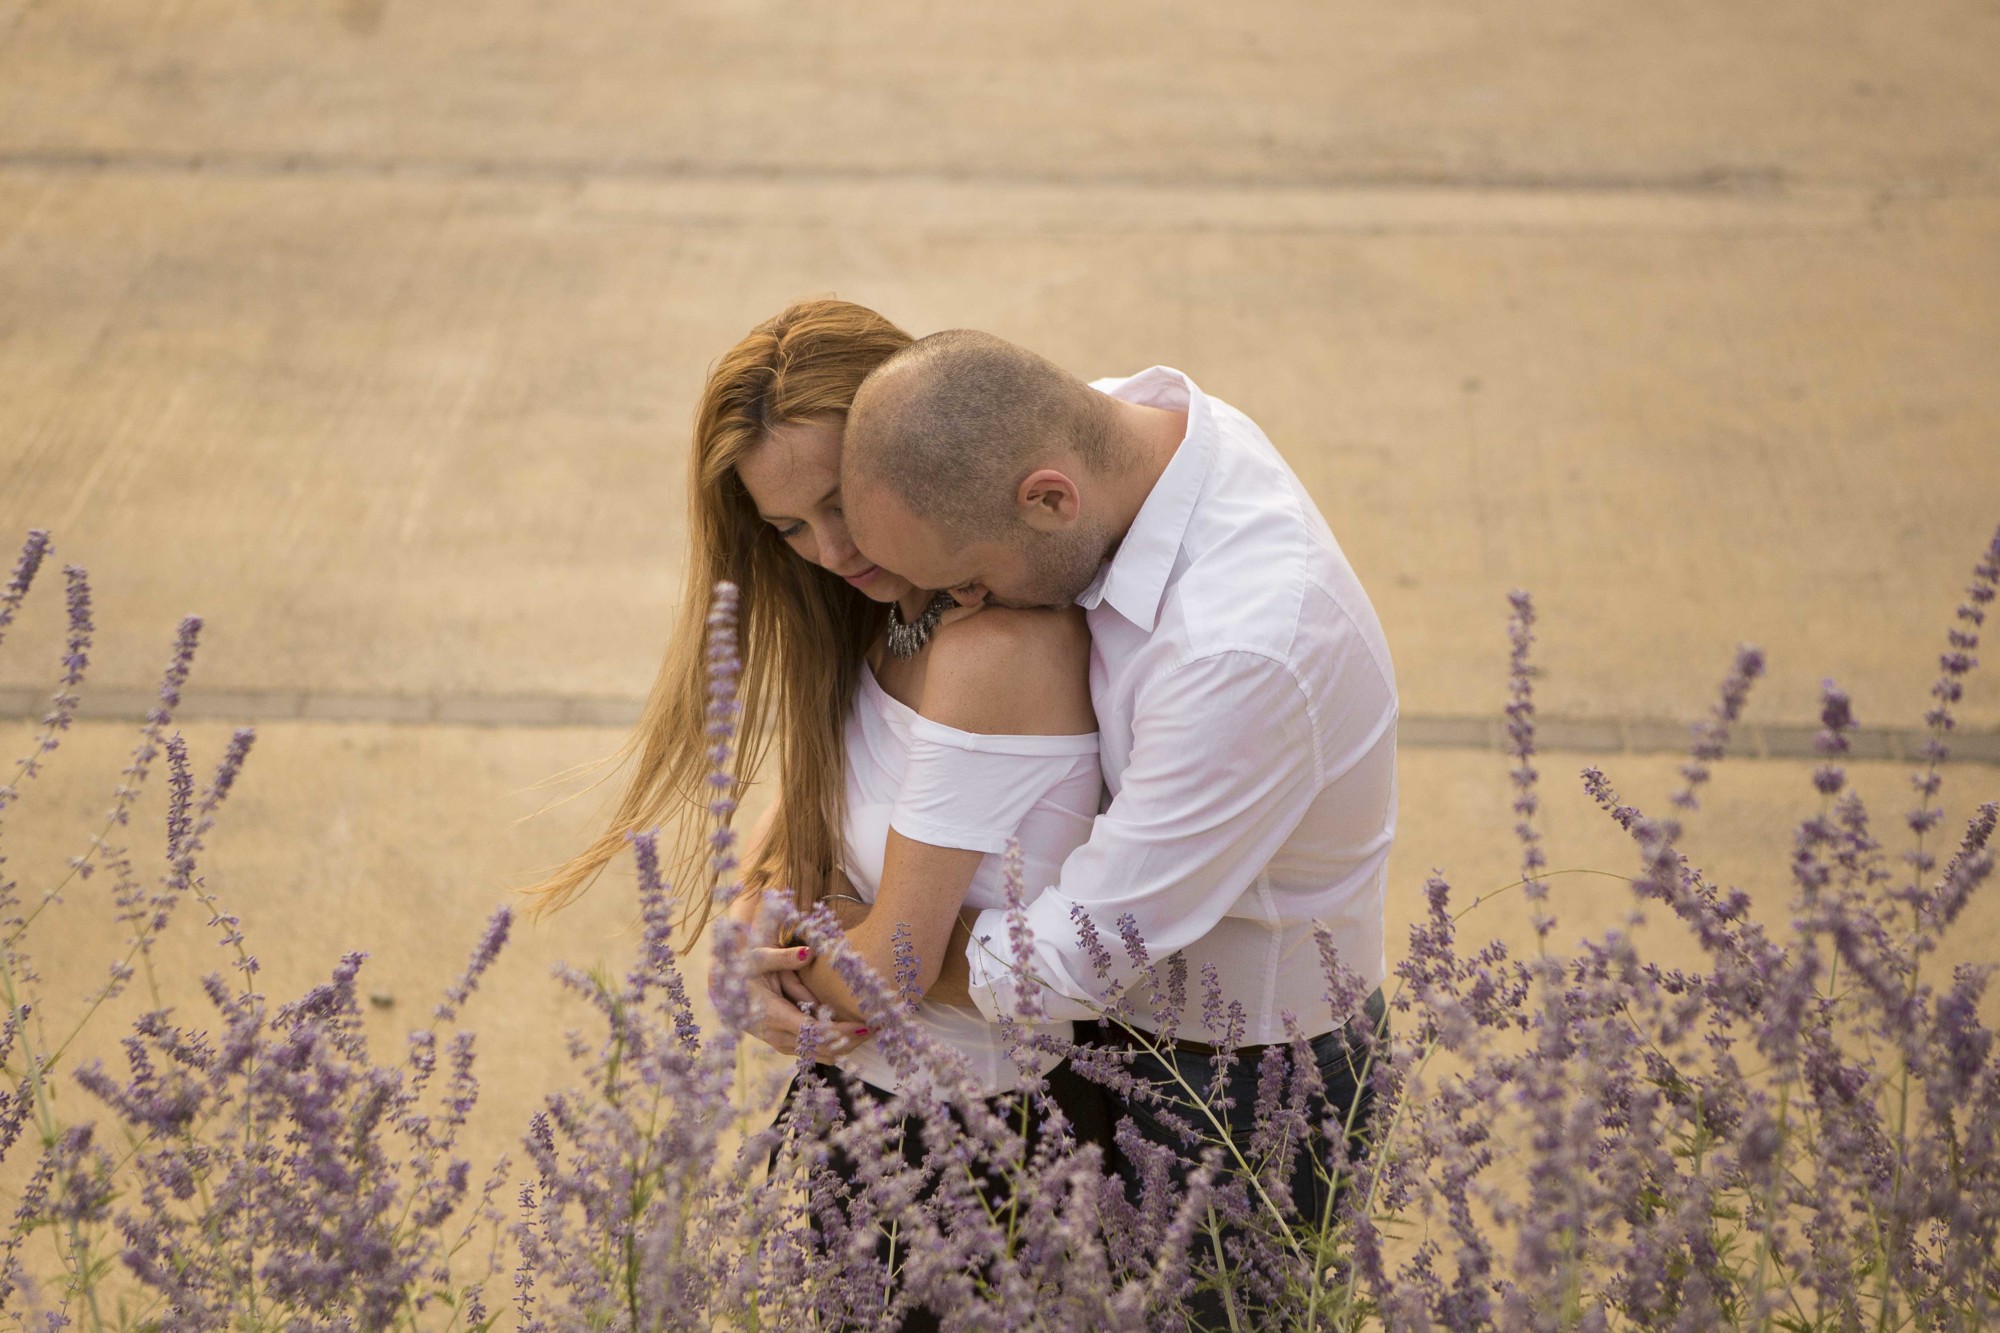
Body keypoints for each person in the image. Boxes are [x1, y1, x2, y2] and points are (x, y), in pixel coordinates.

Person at [527, 301, 1111, 1330]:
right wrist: (764, 912)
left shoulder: (993, 653)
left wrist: (782, 945)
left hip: (979, 1154)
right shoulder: (886, 617)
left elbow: (885, 970)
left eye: (843, 502)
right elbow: (809, 819)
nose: (832, 548)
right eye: (790, 526)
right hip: (869, 1119)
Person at [834, 330, 1398, 1328]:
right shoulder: (1105, 436)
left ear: (1048, 499)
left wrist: (882, 941)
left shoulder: (1245, 645)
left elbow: (1074, 960)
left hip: (1234, 1090)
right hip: (1110, 1047)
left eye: (967, 582)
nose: (959, 613)